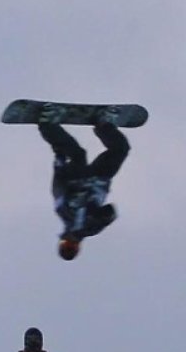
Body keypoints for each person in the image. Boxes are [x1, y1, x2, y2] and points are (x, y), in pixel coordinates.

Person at [38, 110, 130, 261]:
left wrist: (59, 162)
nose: (71, 242)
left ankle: (47, 124)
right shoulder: (90, 228)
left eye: (66, 244)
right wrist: (101, 217)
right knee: (120, 150)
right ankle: (103, 124)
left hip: (76, 179)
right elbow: (110, 211)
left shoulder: (64, 212)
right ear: (79, 247)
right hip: (99, 179)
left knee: (78, 155)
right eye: (72, 246)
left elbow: (58, 188)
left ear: (61, 241)